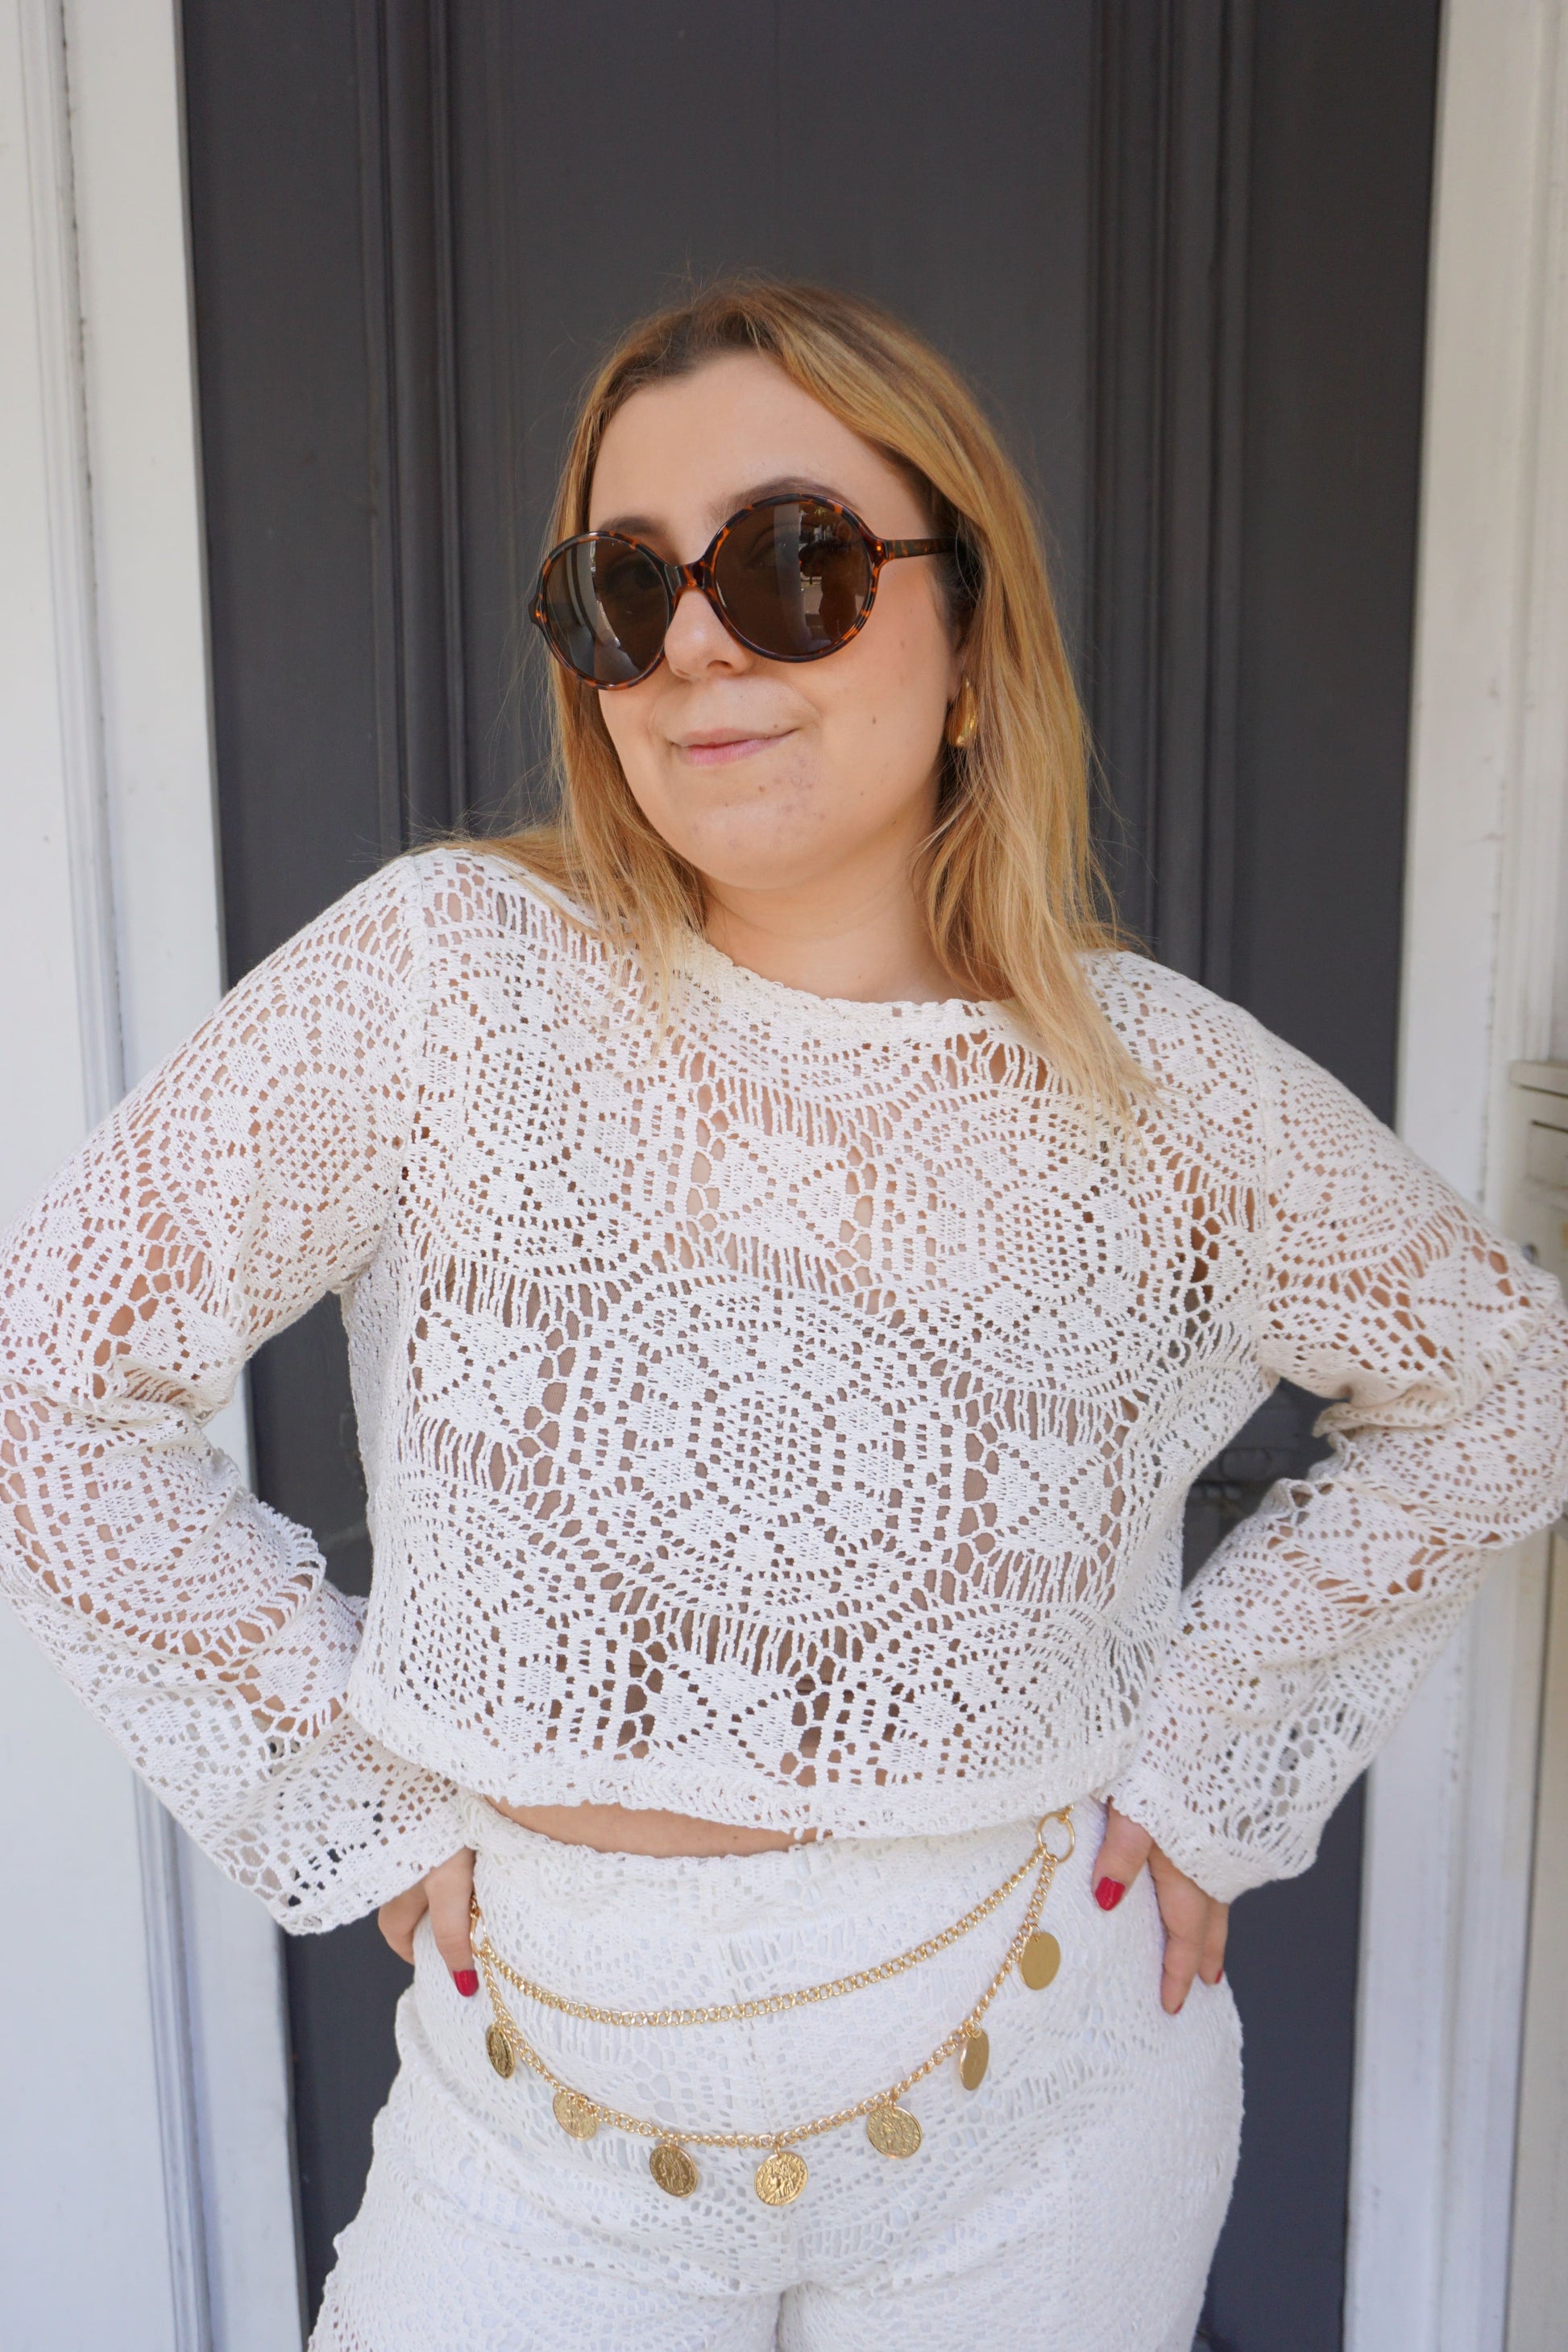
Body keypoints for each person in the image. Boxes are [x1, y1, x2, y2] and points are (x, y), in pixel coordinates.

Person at [2, 279, 1565, 2352]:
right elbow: (47, 1376)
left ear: (971, 642)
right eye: (622, 590)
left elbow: (1493, 1382)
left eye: (791, 562)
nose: (698, 646)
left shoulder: (1162, 1089)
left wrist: (1213, 1756)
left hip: (1043, 2096)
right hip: (534, 2121)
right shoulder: (446, 981)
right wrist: (334, 1779)